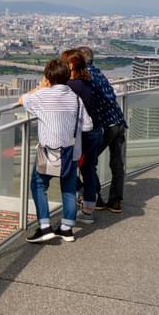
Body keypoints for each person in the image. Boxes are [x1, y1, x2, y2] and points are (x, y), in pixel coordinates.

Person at [19, 58, 93, 243]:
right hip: (70, 150)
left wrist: (41, 87)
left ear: (48, 77)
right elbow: (88, 126)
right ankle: (67, 228)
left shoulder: (41, 96)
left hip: (48, 151)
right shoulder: (75, 98)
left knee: (38, 185)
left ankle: (44, 227)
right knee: (68, 189)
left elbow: (22, 100)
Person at [77, 46, 127, 213]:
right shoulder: (98, 73)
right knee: (117, 164)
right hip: (119, 122)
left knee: (86, 163)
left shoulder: (86, 77)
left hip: (106, 126)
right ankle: (115, 201)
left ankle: (94, 197)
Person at [64, 53, 104, 224]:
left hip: (84, 133)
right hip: (96, 130)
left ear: (72, 66)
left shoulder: (71, 86)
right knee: (88, 169)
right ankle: (88, 211)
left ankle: (80, 194)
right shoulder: (87, 82)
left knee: (65, 169)